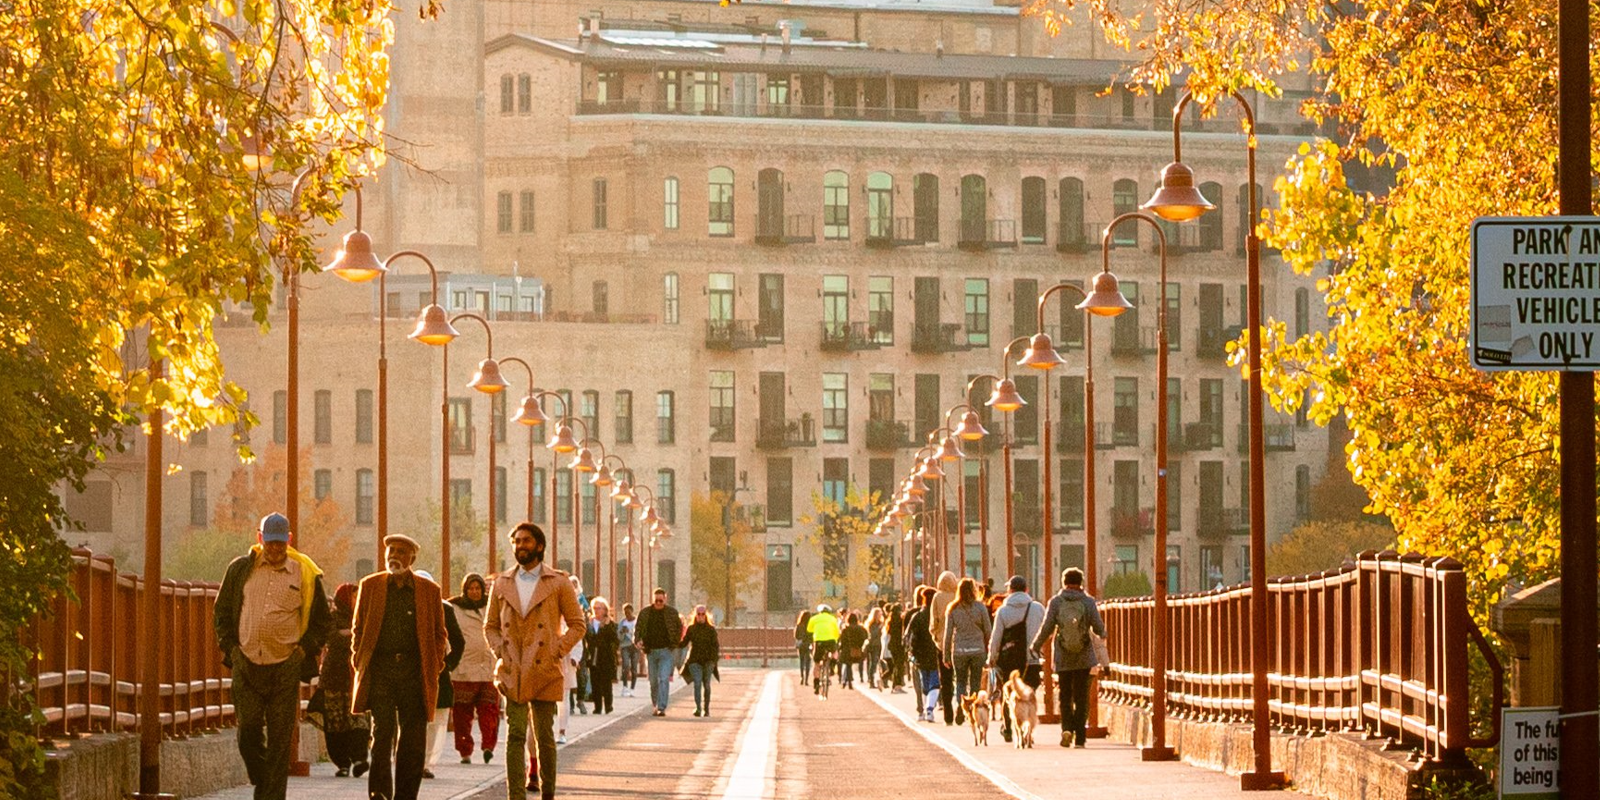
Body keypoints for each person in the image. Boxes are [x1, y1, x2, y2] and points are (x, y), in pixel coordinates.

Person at [213, 512, 333, 800]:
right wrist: (231, 648)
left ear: (288, 541)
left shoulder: (303, 573)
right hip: (247, 663)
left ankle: (270, 796)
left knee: (280, 742)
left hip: (284, 666)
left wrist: (303, 651)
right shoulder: (240, 569)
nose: (275, 549)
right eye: (270, 543)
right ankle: (263, 780)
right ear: (260, 539)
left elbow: (323, 622)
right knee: (248, 733)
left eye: (280, 543)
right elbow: (222, 611)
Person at [484, 522, 585, 800]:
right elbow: (489, 625)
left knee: (544, 737)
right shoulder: (502, 582)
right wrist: (500, 652)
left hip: (544, 667)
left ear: (539, 546)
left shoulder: (558, 582)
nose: (520, 546)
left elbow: (578, 624)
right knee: (515, 735)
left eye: (526, 541)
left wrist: (556, 650)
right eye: (516, 541)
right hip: (512, 668)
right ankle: (515, 795)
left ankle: (548, 792)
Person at [350, 534, 449, 800]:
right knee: (382, 734)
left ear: (412, 559)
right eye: (391, 550)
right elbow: (357, 628)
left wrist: (435, 663)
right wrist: (358, 658)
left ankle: (406, 796)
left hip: (414, 672)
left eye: (401, 552)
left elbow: (440, 634)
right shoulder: (370, 586)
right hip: (381, 670)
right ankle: (379, 793)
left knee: (413, 740)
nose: (394, 555)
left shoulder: (429, 591)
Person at [1032, 567, 1107, 748]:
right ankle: (1080, 737)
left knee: (1065, 695)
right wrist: (1102, 634)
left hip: (1063, 656)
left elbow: (1047, 627)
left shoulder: (1056, 602)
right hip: (1084, 656)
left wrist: (1035, 645)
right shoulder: (1088, 602)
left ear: (1064, 582)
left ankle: (1066, 729)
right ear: (1081, 583)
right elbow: (1099, 628)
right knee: (1081, 696)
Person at [415, 570, 464, 779]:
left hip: (437, 672)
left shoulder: (445, 609)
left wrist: (447, 665)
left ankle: (426, 763)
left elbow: (458, 641)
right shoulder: (405, 604)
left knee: (435, 721)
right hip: (411, 672)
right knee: (410, 720)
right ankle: (410, 761)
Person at [316, 583, 368, 777]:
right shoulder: (333, 618)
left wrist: (347, 634)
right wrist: (353, 636)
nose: (357, 601)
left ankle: (360, 758)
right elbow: (332, 640)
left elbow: (367, 639)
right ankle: (342, 762)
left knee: (359, 720)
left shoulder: (364, 618)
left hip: (357, 677)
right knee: (336, 722)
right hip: (334, 678)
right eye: (354, 597)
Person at [449, 573, 500, 764]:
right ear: (465, 590)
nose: (475, 592)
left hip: (488, 668)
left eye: (478, 588)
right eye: (471, 588)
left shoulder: (492, 606)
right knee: (462, 714)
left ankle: (488, 746)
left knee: (489, 711)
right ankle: (465, 750)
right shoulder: (455, 608)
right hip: (464, 669)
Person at [987, 575, 1045, 744]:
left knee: (1009, 695)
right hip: (1032, 661)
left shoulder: (1003, 611)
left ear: (1010, 590)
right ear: (1026, 589)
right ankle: (1029, 731)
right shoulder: (1038, 608)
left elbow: (996, 637)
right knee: (1029, 695)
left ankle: (1008, 727)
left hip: (1010, 662)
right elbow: (1046, 631)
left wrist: (992, 658)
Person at [942, 576, 992, 721]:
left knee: (960, 681)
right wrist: (990, 651)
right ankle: (973, 710)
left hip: (959, 650)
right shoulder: (980, 607)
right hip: (978, 650)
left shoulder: (952, 608)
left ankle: (960, 705)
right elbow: (988, 631)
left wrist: (946, 654)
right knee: (976, 681)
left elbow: (948, 633)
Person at [634, 587, 683, 716]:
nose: (659, 603)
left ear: (665, 599)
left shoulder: (672, 613)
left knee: (664, 678)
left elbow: (679, 627)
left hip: (666, 651)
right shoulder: (645, 613)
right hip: (650, 651)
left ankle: (662, 707)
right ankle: (655, 704)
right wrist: (638, 640)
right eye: (656, 601)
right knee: (654, 681)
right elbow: (638, 628)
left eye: (661, 601)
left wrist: (675, 643)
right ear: (653, 600)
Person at [906, 586, 942, 721]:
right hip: (934, 652)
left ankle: (924, 709)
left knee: (923, 683)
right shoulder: (937, 615)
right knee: (935, 682)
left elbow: (910, 636)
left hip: (920, 655)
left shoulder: (917, 616)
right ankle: (929, 709)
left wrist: (911, 652)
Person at [928, 570, 959, 725]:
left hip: (941, 644)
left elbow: (933, 621)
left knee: (945, 680)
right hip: (959, 643)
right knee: (961, 678)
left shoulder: (937, 597)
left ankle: (948, 714)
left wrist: (935, 636)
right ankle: (962, 706)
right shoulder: (957, 596)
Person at [679, 605, 720, 717]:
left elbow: (716, 646)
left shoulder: (711, 630)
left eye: (703, 614)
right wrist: (673, 642)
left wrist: (714, 660)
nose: (700, 616)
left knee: (706, 684)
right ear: (695, 615)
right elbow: (684, 643)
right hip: (694, 660)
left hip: (708, 661)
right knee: (697, 683)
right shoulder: (691, 629)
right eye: (698, 614)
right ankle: (698, 708)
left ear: (706, 615)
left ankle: (706, 709)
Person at [586, 597, 620, 714]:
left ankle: (608, 705)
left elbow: (615, 640)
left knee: (606, 682)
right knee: (595, 682)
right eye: (594, 608)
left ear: (605, 610)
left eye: (599, 608)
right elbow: (587, 638)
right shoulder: (589, 623)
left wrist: (605, 627)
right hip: (593, 656)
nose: (596, 610)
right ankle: (597, 706)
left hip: (606, 656)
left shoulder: (610, 624)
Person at [558, 609, 585, 744]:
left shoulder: (571, 624)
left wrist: (575, 659)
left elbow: (578, 644)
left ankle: (562, 731)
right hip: (548, 663)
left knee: (564, 699)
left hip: (566, 664)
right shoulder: (548, 620)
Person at [806, 604, 841, 695]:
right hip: (831, 641)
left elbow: (809, 630)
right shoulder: (833, 619)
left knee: (817, 663)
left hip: (819, 641)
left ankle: (816, 683)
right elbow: (837, 632)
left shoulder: (814, 618)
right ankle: (832, 666)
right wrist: (836, 639)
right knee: (835, 652)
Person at [568, 575, 590, 716]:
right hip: (567, 643)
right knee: (568, 677)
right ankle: (569, 704)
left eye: (575, 584)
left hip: (581, 644)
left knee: (582, 676)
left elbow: (587, 619)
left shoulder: (582, 600)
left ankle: (580, 700)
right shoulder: (564, 599)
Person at [838, 612, 868, 690]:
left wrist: (840, 648)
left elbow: (842, 639)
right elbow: (865, 637)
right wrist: (859, 646)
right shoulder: (861, 628)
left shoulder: (845, 629)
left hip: (847, 649)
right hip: (857, 649)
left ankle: (848, 682)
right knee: (860, 664)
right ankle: (861, 677)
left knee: (848, 665)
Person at [617, 603, 639, 698]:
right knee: (625, 666)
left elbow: (640, 633)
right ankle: (625, 687)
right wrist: (622, 632)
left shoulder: (637, 622)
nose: (627, 615)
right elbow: (618, 636)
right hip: (625, 646)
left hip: (635, 647)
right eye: (625, 613)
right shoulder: (622, 623)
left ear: (632, 612)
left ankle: (632, 689)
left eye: (629, 613)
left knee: (634, 668)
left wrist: (630, 632)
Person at [885, 603, 907, 693]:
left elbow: (889, 633)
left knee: (895, 665)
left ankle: (895, 685)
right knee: (900, 666)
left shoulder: (890, 621)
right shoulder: (901, 620)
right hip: (899, 645)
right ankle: (897, 685)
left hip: (892, 645)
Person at [864, 607, 884, 690]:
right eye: (879, 614)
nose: (880, 616)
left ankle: (883, 681)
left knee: (882, 663)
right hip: (873, 645)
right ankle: (871, 681)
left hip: (880, 645)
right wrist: (879, 628)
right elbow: (872, 634)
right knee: (873, 663)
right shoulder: (871, 624)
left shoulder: (880, 623)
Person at [793, 610, 814, 685]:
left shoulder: (799, 625)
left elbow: (796, 635)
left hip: (801, 645)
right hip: (808, 645)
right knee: (808, 662)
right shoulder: (810, 626)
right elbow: (812, 636)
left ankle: (802, 677)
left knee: (801, 661)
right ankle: (807, 680)